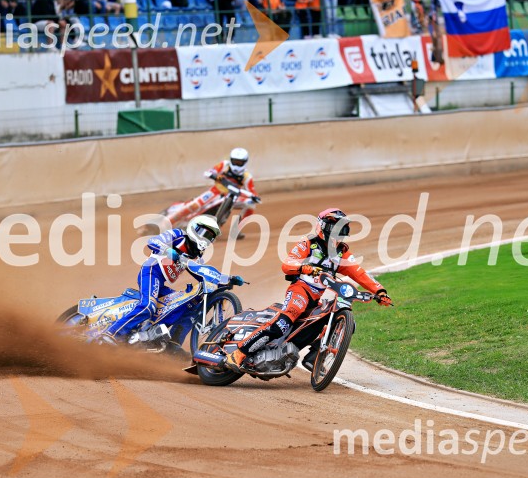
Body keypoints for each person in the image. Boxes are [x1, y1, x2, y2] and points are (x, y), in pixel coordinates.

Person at [224, 208, 393, 372]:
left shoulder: (342, 254)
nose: (337, 234)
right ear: (322, 226)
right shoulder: (308, 244)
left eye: (341, 229)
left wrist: (380, 291)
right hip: (300, 290)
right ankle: (239, 352)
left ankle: (313, 359)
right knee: (282, 324)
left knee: (337, 320)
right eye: (334, 228)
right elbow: (287, 264)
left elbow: (360, 273)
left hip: (317, 298)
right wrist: (306, 268)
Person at [105, 216, 226, 341]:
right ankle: (112, 333)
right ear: (194, 228)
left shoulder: (197, 255)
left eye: (210, 238)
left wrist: (224, 279)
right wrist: (168, 250)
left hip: (161, 283)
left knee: (187, 306)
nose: (206, 240)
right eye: (205, 234)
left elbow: (201, 272)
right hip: (151, 272)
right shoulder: (178, 235)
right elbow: (152, 241)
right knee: (148, 306)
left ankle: (173, 345)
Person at [169, 148, 260, 234]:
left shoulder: (247, 176)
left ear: (245, 162)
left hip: (233, 198)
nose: (236, 164)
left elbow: (252, 192)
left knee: (251, 205)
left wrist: (254, 197)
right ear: (231, 160)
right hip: (215, 192)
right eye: (235, 161)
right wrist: (215, 176)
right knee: (195, 205)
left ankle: (236, 230)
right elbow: (208, 172)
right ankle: (169, 221)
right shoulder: (224, 165)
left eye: (239, 162)